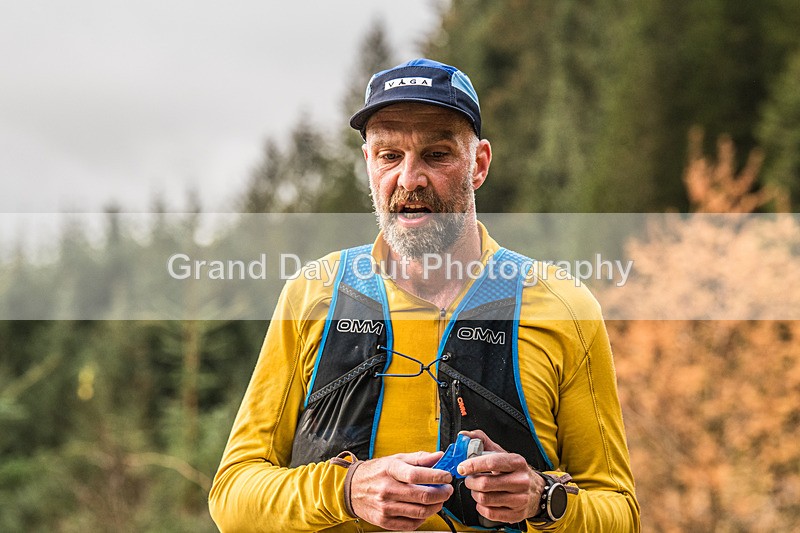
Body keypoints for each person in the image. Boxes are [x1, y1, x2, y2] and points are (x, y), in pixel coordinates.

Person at [209, 58, 640, 532]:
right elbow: (232, 497)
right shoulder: (314, 295)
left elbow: (619, 512)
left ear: (478, 165)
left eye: (436, 155)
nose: (409, 179)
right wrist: (349, 490)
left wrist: (542, 500)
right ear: (368, 165)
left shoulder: (565, 309)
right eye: (389, 155)